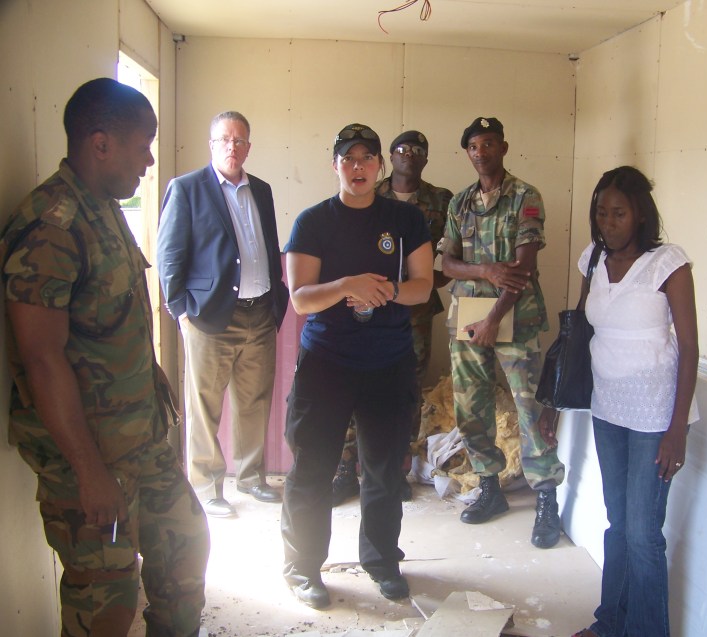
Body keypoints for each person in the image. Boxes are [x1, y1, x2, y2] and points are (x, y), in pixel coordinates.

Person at [0, 77, 209, 636]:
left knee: (186, 543)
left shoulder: (105, 207)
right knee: (106, 601)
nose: (149, 160)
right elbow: (42, 360)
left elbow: (111, 323)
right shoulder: (51, 226)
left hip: (138, 440)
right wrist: (90, 473)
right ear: (100, 144)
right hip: (87, 457)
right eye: (143, 146)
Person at [281, 123, 433, 609]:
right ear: (335, 166)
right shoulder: (313, 221)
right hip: (327, 362)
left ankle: (382, 561)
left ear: (380, 166)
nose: (358, 166)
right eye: (349, 158)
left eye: (368, 158)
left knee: (385, 471)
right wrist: (348, 284)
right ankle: (303, 568)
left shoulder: (405, 219)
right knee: (312, 468)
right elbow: (301, 299)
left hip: (388, 361)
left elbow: (423, 287)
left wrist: (385, 290)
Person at [570, 166, 699, 637]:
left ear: (641, 214)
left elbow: (690, 348)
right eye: (602, 213)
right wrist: (551, 403)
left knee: (643, 533)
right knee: (618, 524)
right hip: (608, 409)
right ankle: (610, 624)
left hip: (654, 415)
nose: (608, 222)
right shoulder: (592, 259)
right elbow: (579, 329)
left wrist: (677, 428)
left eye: (619, 213)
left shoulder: (668, 264)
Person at [438, 116, 565, 549]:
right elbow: (447, 263)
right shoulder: (459, 203)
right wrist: (486, 270)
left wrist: (494, 318)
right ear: (468, 153)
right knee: (470, 406)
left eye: (489, 144)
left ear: (503, 148)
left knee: (529, 411)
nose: (481, 152)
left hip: (515, 318)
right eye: (474, 146)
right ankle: (490, 489)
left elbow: (523, 269)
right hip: (467, 317)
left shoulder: (526, 197)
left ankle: (546, 498)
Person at [157, 111, 289, 518]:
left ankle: (251, 478)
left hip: (259, 314)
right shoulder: (187, 189)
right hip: (209, 317)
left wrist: (276, 301)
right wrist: (180, 311)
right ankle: (205, 486)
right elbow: (169, 256)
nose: (232, 146)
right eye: (224, 139)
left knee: (255, 402)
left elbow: (268, 247)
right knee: (204, 406)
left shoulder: (261, 190)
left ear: (248, 147)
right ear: (212, 144)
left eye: (240, 140)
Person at [331, 129, 453, 506]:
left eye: (417, 149)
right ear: (390, 157)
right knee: (351, 384)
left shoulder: (442, 200)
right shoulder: (370, 191)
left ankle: (396, 470)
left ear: (426, 158)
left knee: (405, 392)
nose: (409, 155)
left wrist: (424, 283)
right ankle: (346, 468)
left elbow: (453, 255)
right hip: (365, 308)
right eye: (401, 149)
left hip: (413, 313)